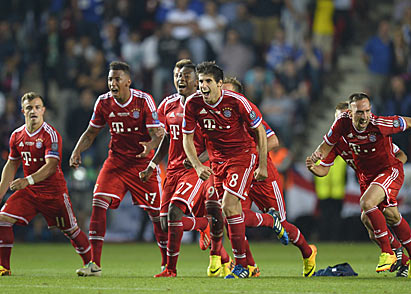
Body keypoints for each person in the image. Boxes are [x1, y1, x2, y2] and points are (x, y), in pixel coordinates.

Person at [310, 93, 411, 278]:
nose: (364, 116)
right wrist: (314, 162)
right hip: (367, 178)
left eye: (367, 111)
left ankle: (389, 253)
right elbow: (324, 159)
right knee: (380, 219)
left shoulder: (379, 124)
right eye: (359, 112)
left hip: (388, 171)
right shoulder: (339, 136)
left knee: (367, 203)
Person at [69, 61, 167, 276]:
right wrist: (77, 151)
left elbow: (157, 136)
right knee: (98, 203)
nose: (112, 83)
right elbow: (91, 133)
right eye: (110, 79)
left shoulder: (144, 100)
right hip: (116, 163)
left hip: (143, 165)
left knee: (158, 215)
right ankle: (94, 264)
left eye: (117, 79)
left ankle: (167, 264)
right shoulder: (103, 102)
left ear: (128, 82)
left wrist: (149, 147)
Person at [182, 61, 270, 279]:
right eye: (200, 81)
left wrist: (262, 164)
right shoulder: (193, 104)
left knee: (229, 205)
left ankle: (240, 266)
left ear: (219, 83)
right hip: (217, 161)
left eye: (208, 81)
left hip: (242, 156)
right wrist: (197, 164)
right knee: (228, 212)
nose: (203, 86)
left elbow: (260, 131)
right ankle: (248, 264)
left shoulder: (237, 101)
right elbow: (187, 138)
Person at [139, 60, 227, 278]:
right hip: (173, 169)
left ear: (196, 81)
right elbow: (167, 137)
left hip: (196, 169)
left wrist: (197, 161)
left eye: (186, 76)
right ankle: (205, 225)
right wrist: (152, 164)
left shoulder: (204, 106)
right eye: (178, 75)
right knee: (163, 223)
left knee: (174, 213)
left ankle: (170, 269)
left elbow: (214, 143)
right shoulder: (169, 104)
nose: (181, 79)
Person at [223, 77, 316, 277]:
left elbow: (273, 141)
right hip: (240, 174)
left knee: (282, 225)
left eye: (229, 92)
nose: (225, 97)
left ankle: (308, 252)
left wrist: (248, 153)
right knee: (232, 218)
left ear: (239, 96)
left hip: (262, 175)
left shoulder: (249, 116)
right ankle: (250, 265)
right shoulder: (222, 120)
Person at [306, 101, 410, 277]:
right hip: (366, 182)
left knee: (387, 215)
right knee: (370, 227)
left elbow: (401, 154)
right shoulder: (337, 143)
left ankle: (406, 254)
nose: (339, 122)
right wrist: (313, 167)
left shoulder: (368, 135)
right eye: (337, 119)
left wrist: (392, 168)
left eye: (342, 117)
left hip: (382, 177)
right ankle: (403, 257)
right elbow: (324, 168)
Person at [0, 92, 91, 276]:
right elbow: (11, 164)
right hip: (30, 192)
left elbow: (51, 167)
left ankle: (92, 264)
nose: (33, 111)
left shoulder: (51, 134)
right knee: (3, 219)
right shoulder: (16, 136)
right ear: (22, 111)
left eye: (36, 107)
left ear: (43, 110)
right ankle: (4, 267)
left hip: (54, 193)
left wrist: (27, 180)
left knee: (71, 230)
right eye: (29, 108)